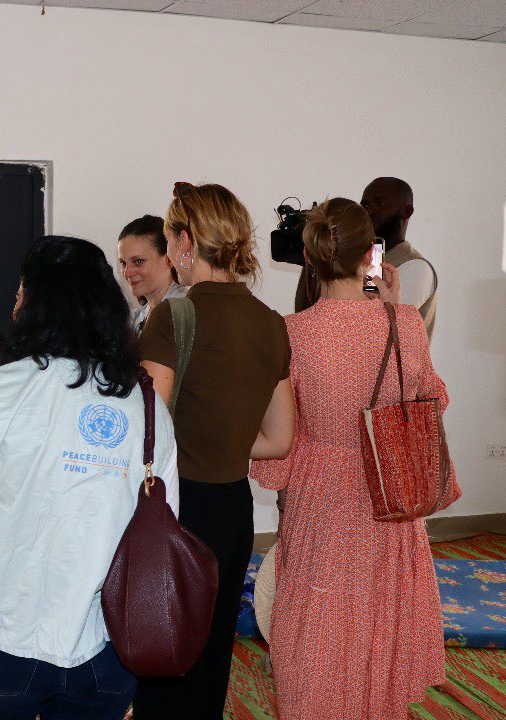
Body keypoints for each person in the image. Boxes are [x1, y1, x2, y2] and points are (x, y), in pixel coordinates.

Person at [0, 235, 179, 720]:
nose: (15, 301)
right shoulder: (146, 405)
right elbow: (162, 526)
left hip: (1, 636)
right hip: (104, 643)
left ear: (35, 304)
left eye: (21, 290)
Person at [251, 198, 446, 719]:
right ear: (370, 257)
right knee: (380, 606)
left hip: (322, 492)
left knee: (317, 606)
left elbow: (282, 431)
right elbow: (431, 398)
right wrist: (395, 309)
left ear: (311, 260)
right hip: (388, 485)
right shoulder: (404, 324)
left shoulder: (294, 333)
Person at [137, 182, 294, 719]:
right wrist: (223, 434)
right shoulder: (272, 324)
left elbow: (146, 427)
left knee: (162, 653)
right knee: (210, 660)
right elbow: (278, 439)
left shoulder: (173, 317)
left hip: (177, 509)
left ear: (184, 241)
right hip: (232, 511)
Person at [296, 177, 437, 340]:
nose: (369, 211)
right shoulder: (355, 258)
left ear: (406, 211)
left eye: (380, 203)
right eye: (365, 205)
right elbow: (309, 313)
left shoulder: (415, 266)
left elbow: (379, 331)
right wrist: (314, 260)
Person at [117, 214, 185, 333]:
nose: (127, 273)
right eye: (123, 263)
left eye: (138, 261)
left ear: (169, 259)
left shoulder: (184, 312)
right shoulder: (138, 317)